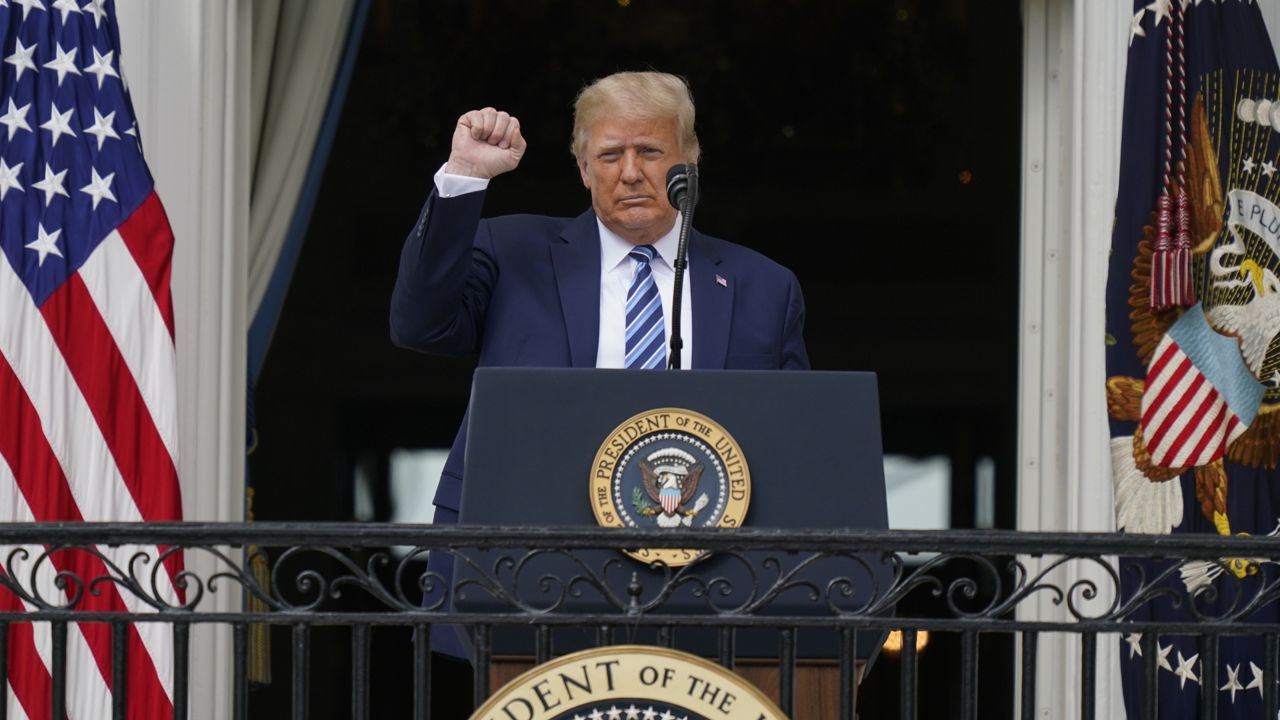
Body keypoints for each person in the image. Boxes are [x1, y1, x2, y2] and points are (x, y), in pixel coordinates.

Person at [390, 71, 809, 660]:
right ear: (583, 168)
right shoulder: (512, 253)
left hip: (708, 577)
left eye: (651, 151)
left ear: (689, 160)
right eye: (610, 154)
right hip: (527, 567)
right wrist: (464, 177)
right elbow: (420, 325)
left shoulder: (764, 286)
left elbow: (796, 446)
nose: (631, 172)